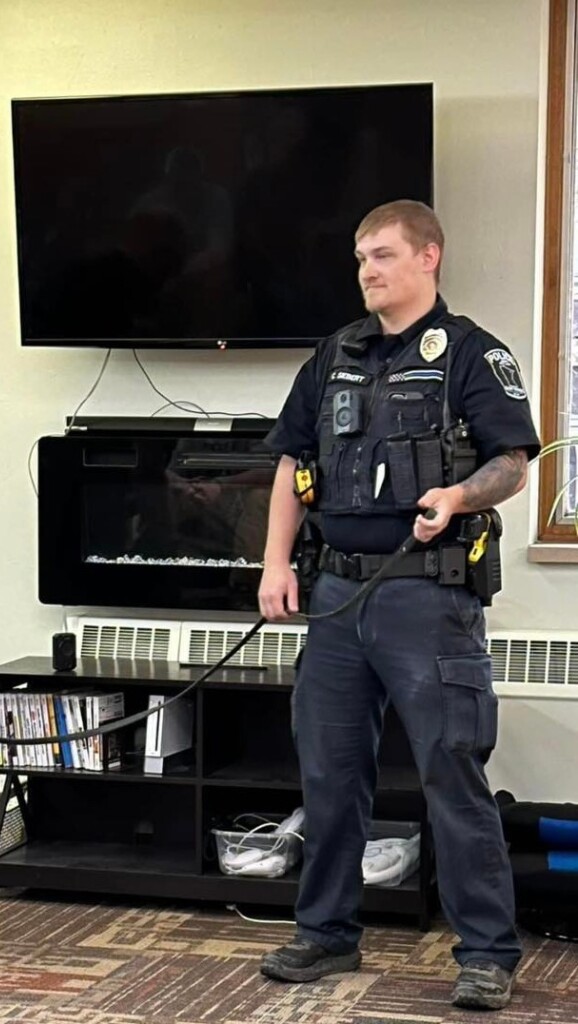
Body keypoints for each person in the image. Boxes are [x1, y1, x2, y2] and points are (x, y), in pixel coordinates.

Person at [257, 200, 540, 1011]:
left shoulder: (471, 356)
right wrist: (276, 564)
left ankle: (486, 953)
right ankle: (325, 935)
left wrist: (457, 494)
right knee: (329, 773)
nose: (367, 271)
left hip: (429, 594)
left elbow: (512, 463)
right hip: (338, 593)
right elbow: (290, 462)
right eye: (360, 258)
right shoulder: (333, 354)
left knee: (453, 772)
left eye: (383, 255)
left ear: (429, 258)